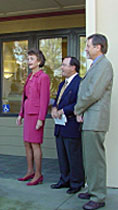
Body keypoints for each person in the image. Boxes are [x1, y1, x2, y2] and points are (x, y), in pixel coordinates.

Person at [74, 34, 113, 210]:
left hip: (96, 120)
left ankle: (98, 196)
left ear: (99, 47)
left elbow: (92, 93)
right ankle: (92, 189)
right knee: (89, 158)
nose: (86, 49)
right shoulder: (96, 65)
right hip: (90, 119)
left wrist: (77, 109)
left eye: (88, 46)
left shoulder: (104, 65)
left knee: (95, 159)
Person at [50, 56, 84, 194]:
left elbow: (79, 103)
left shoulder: (80, 83)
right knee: (62, 154)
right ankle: (64, 179)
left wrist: (63, 110)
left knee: (73, 155)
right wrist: (54, 108)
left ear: (73, 67)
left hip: (71, 124)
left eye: (64, 65)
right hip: (60, 125)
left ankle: (76, 183)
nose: (62, 68)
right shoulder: (61, 84)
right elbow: (57, 100)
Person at [16, 49, 50, 186]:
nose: (29, 61)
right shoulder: (29, 77)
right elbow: (25, 97)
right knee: (27, 143)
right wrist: (20, 114)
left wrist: (41, 119)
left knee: (35, 144)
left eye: (32, 59)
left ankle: (38, 174)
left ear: (39, 61)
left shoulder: (43, 77)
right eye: (28, 59)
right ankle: (30, 171)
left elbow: (44, 100)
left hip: (36, 116)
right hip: (28, 114)